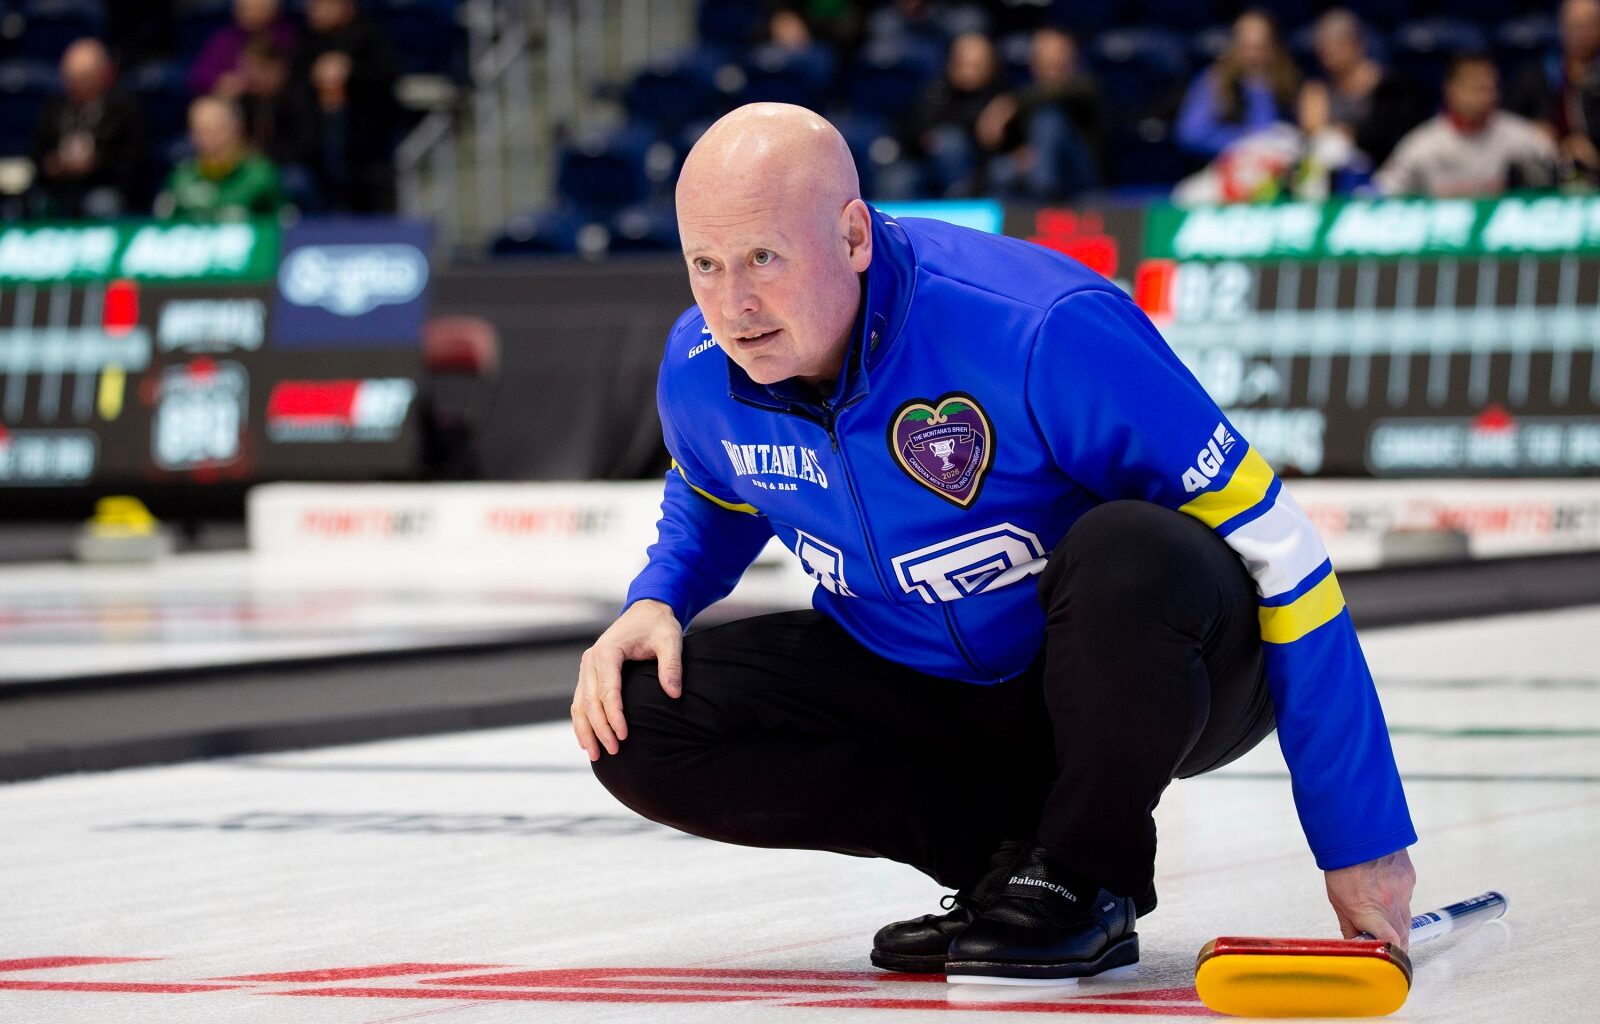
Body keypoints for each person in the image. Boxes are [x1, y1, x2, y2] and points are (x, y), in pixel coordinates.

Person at [576, 102, 1418, 983]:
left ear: (854, 236)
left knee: (1130, 551)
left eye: (762, 259)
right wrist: (658, 596)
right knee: (634, 715)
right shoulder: (704, 363)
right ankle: (1013, 868)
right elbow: (712, 490)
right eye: (704, 265)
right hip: (935, 686)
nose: (733, 304)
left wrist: (1361, 837)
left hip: (1158, 672)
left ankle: (1089, 874)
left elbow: (1282, 552)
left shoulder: (1040, 326)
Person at [1376, 54, 1557, 198]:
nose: (1488, 97)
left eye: (1491, 88)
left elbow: (1560, 176)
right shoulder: (1422, 144)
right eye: (1478, 88)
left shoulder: (1520, 135)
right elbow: (1382, 192)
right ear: (1451, 90)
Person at [292, 0, 400, 213]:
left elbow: (387, 81)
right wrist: (317, 81)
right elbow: (294, 87)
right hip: (315, 145)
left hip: (366, 147)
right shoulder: (307, 42)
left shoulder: (370, 36)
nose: (313, 12)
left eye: (320, 5)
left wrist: (350, 73)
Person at [978, 25, 1102, 200]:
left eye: (1053, 49)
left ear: (1069, 53)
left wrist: (1008, 103)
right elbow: (1001, 138)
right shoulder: (1027, 97)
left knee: (1049, 119)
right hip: (1038, 166)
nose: (1047, 56)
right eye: (1041, 51)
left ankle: (1044, 198)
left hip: (1081, 174)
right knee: (1000, 169)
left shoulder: (1085, 85)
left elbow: (1057, 92)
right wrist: (1021, 153)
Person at [30, 38, 146, 218]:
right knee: (35, 203)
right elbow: (37, 153)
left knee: (101, 204)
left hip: (105, 186)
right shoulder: (55, 107)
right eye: (70, 79)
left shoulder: (123, 108)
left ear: (101, 76)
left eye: (83, 78)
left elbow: (135, 161)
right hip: (59, 187)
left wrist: (96, 164)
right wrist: (51, 165)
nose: (75, 86)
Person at [1297, 9, 1425, 172]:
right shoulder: (1316, 89)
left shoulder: (1390, 87)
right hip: (1333, 175)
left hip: (1384, 171)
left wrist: (1353, 134)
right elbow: (1313, 133)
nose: (1329, 52)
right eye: (1324, 45)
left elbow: (1396, 137)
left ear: (1358, 44)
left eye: (1338, 43)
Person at [1176, 9, 1299, 158]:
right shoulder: (1215, 81)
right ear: (1234, 45)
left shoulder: (1289, 81)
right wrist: (1247, 141)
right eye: (1246, 46)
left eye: (1260, 47)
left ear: (1274, 46)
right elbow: (1190, 135)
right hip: (1225, 168)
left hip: (1279, 168)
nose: (1253, 55)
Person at [901, 31, 1006, 196]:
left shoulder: (1002, 98)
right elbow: (914, 131)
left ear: (991, 66)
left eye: (976, 65)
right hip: (931, 165)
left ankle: (961, 201)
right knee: (899, 178)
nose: (968, 72)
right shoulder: (937, 91)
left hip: (983, 167)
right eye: (963, 64)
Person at [1511, 0, 1600, 186]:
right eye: (1574, 26)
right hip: (1547, 171)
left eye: (1588, 25)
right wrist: (1532, 130)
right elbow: (1506, 122)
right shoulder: (1538, 73)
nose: (1580, 34)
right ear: (1561, 27)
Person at [157, 96, 285, 219]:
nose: (205, 138)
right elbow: (163, 226)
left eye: (213, 129)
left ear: (235, 128)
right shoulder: (181, 177)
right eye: (198, 130)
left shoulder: (260, 176)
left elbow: (282, 225)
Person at [187, 0, 298, 98]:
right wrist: (222, 83)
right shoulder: (225, 38)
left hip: (283, 102)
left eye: (257, 7)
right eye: (246, 8)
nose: (252, 13)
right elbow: (198, 77)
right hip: (237, 102)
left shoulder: (286, 37)